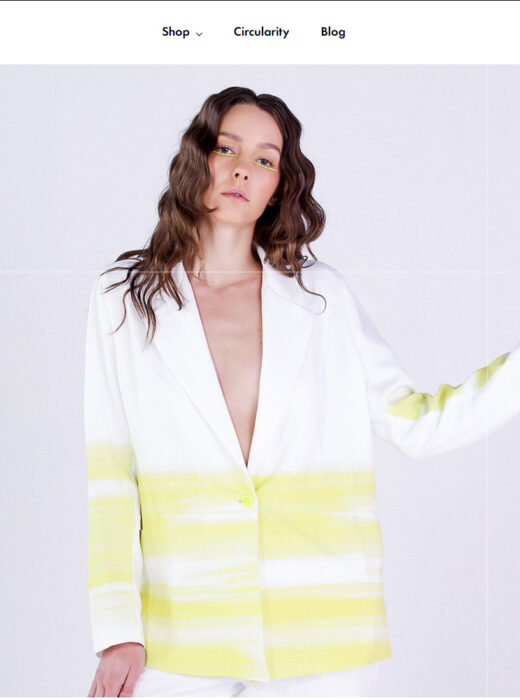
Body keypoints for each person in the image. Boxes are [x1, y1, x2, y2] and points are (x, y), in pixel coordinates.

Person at [84, 87, 520, 697]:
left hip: (322, 632)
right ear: (196, 159)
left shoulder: (320, 299)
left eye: (265, 158)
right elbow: (110, 474)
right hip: (180, 631)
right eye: (226, 148)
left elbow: (417, 426)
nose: (242, 169)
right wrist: (116, 631)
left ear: (280, 185)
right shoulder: (127, 298)